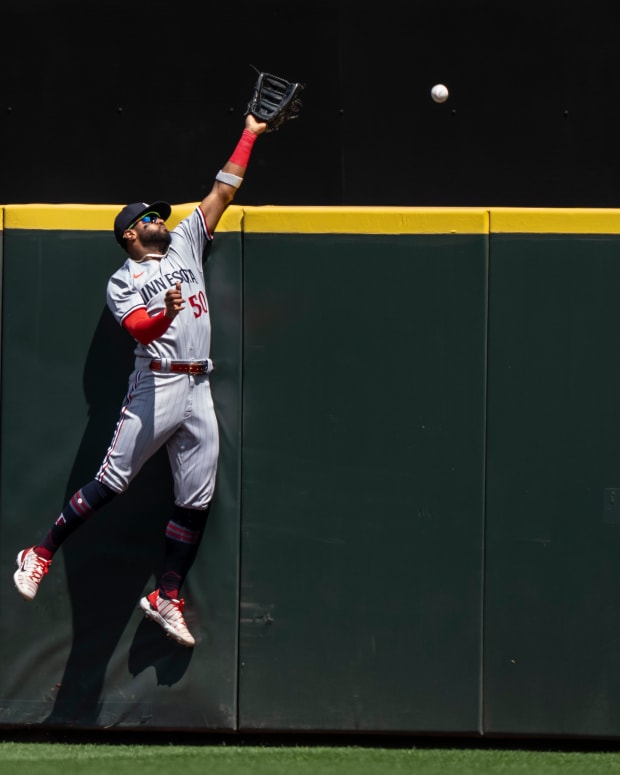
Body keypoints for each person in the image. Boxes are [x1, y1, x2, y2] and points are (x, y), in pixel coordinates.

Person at [13, 111, 269, 647]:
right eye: (148, 217)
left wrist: (250, 132)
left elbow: (221, 192)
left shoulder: (183, 243)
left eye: (159, 215)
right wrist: (169, 313)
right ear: (130, 234)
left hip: (199, 385)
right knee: (112, 481)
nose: (158, 218)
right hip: (155, 384)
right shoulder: (122, 280)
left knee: (196, 498)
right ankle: (39, 552)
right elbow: (139, 328)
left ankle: (166, 596)